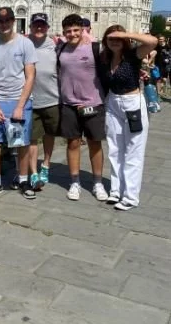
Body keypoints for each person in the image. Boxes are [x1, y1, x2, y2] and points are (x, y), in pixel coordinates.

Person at [0, 6, 37, 199]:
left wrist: (20, 106)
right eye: (0, 21)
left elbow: (30, 76)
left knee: (20, 142)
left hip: (18, 100)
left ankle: (22, 179)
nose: (4, 24)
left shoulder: (25, 44)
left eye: (7, 21)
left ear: (13, 21)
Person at [101, 25, 157, 210]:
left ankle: (130, 196)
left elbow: (153, 41)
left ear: (125, 40)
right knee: (115, 149)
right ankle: (116, 190)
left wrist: (125, 33)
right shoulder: (106, 57)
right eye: (111, 38)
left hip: (133, 103)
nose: (115, 41)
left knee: (133, 150)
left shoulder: (133, 55)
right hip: (113, 103)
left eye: (118, 38)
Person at [57, 13, 108, 202]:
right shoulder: (60, 49)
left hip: (93, 103)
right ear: (63, 32)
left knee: (95, 143)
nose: (72, 34)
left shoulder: (95, 48)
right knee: (73, 143)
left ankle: (97, 182)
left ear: (83, 29)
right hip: (69, 104)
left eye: (76, 30)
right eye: (68, 31)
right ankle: (75, 182)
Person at [27, 13, 60, 190]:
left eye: (42, 25)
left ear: (47, 27)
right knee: (32, 138)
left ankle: (45, 165)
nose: (39, 28)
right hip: (31, 101)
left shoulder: (55, 46)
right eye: (36, 25)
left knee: (49, 135)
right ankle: (33, 173)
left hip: (52, 100)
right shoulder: (24, 44)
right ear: (31, 27)